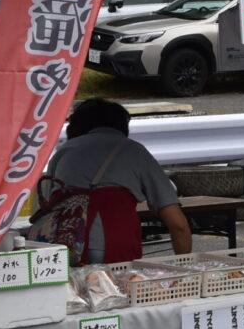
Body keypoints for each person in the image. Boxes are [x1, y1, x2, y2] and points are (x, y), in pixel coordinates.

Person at [37, 98, 191, 263]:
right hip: (116, 243)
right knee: (116, 280)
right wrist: (184, 268)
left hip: (65, 244)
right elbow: (178, 225)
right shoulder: (134, 151)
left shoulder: (64, 152)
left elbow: (46, 206)